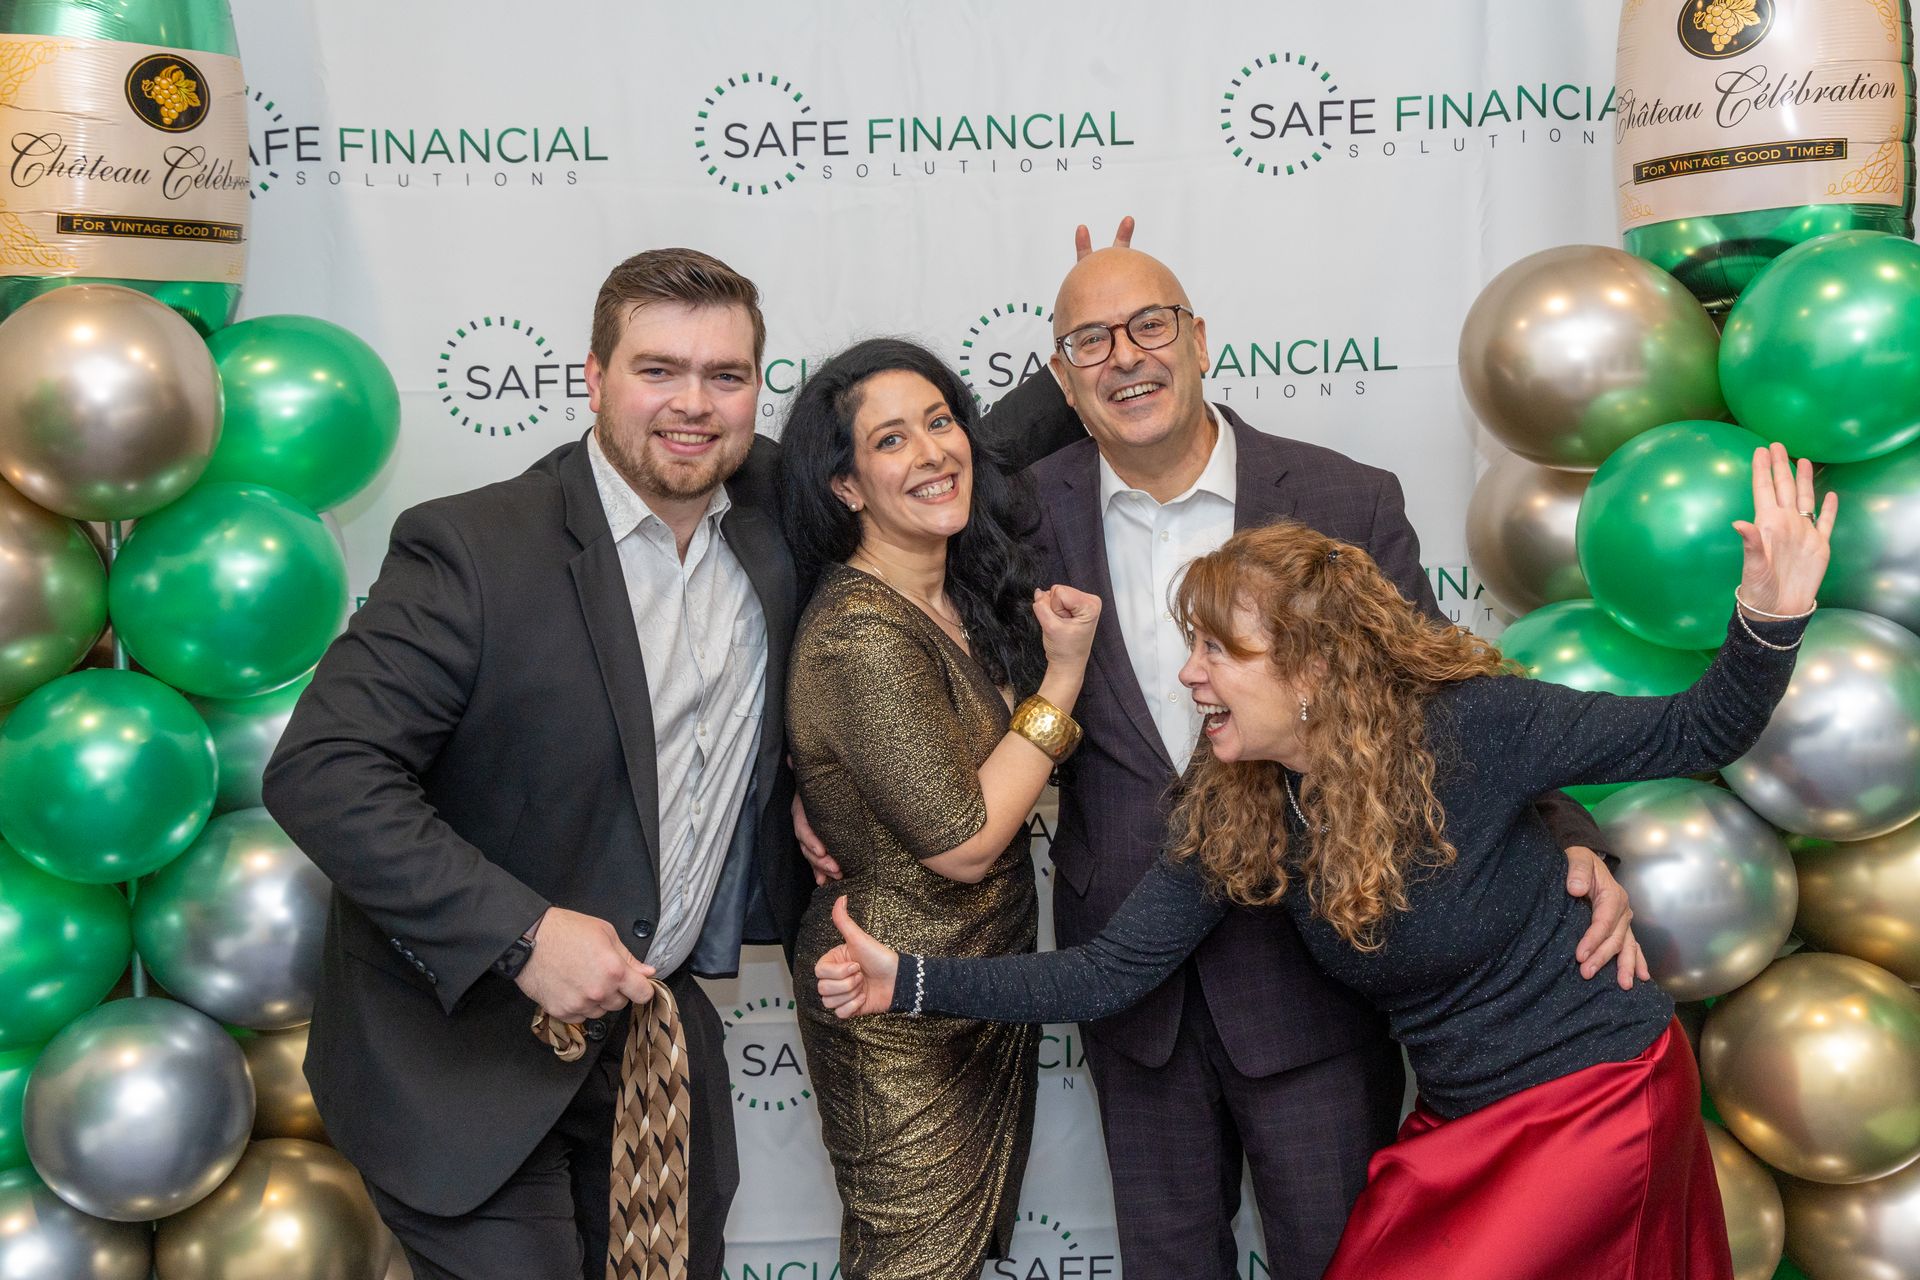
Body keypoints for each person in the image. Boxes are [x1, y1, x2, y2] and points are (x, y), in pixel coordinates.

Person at [821, 232, 1634, 1280]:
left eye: (1151, 325)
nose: (1128, 359)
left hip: (1311, 977)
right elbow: (859, 577)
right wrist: (822, 791)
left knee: (1340, 1259)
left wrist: (1570, 837)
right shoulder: (1010, 515)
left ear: (1200, 339)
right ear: (1061, 379)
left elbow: (1450, 693)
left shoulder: (1344, 499)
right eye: (1092, 343)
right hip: (1129, 979)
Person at [816, 443, 1833, 1279]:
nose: (1189, 673)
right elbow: (1111, 969)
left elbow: (1695, 731)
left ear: (1308, 669)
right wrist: (904, 977)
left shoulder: (1472, 724)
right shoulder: (1242, 800)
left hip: (1589, 1094)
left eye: (1217, 651)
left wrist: (1770, 615)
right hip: (1461, 1119)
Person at [262, 248, 812, 1280]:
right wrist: (523, 934)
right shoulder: (473, 548)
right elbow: (324, 767)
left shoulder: (778, 523)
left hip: (653, 1052)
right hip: (463, 1060)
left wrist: (1085, 369)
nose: (692, 404)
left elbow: (932, 449)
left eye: (726, 376)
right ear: (594, 378)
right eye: (658, 369)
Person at [776, 338, 1101, 1277]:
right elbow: (963, 842)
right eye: (890, 441)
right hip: (891, 999)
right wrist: (1065, 677)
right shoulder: (860, 635)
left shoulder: (952, 592)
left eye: (940, 421)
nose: (932, 453)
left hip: (979, 982)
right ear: (845, 487)